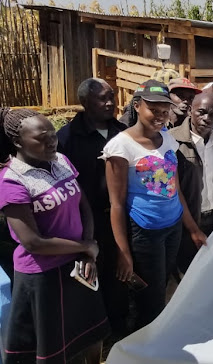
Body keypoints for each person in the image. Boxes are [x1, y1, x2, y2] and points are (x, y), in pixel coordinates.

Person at [1, 108, 110, 363]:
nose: (51, 141)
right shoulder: (11, 182)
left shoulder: (60, 160)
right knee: (54, 349)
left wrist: (87, 251)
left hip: (78, 264)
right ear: (18, 142)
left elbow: (83, 204)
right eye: (41, 138)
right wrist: (84, 246)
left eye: (53, 134)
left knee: (91, 333)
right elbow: (33, 242)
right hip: (43, 276)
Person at [102, 80, 205, 329]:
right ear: (137, 106)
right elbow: (116, 204)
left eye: (164, 110)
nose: (160, 116)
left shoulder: (168, 139)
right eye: (153, 110)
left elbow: (175, 188)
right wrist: (123, 253)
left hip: (172, 227)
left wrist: (192, 228)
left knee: (161, 286)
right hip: (145, 231)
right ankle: (142, 345)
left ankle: (157, 338)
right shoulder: (120, 146)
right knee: (149, 295)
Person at [56, 78, 129, 337]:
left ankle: (120, 331)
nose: (110, 103)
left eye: (112, 96)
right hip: (87, 223)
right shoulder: (66, 139)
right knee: (88, 279)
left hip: (122, 219)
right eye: (102, 98)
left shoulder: (123, 132)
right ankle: (93, 336)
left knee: (120, 277)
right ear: (85, 103)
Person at [169, 92, 213, 274]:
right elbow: (173, 191)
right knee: (186, 278)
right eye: (201, 112)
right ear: (191, 110)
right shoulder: (172, 141)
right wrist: (191, 228)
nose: (206, 119)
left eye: (212, 114)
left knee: (212, 276)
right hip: (186, 225)